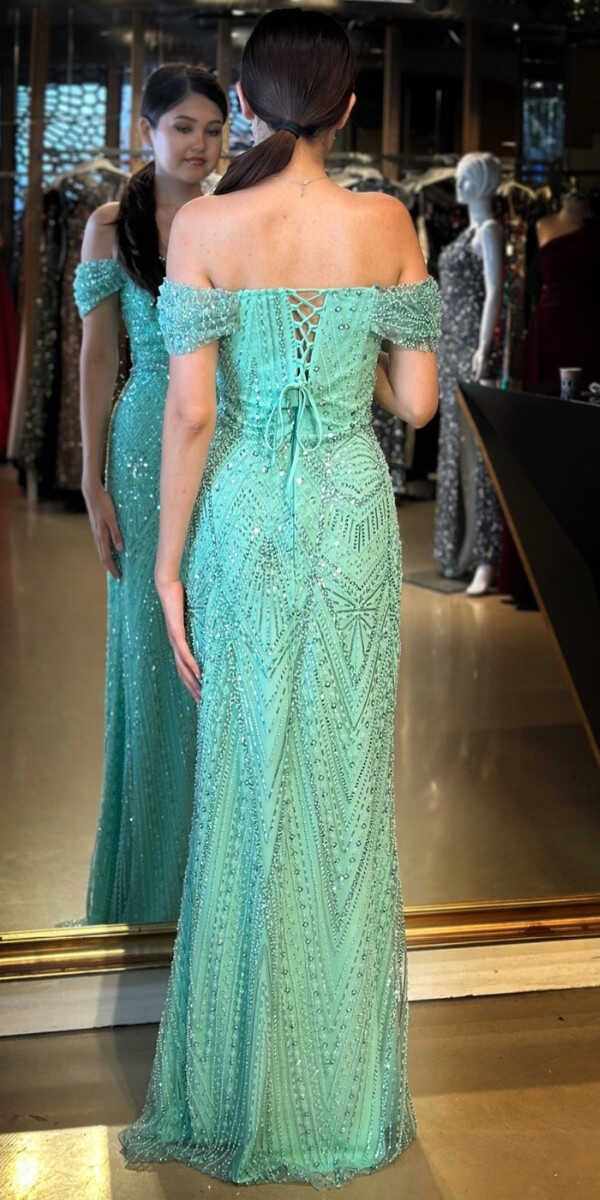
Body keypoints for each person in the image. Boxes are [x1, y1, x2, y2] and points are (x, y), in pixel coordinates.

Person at [120, 10, 439, 1187]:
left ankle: (239, 1079)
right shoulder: (388, 222)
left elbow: (193, 413)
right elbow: (416, 405)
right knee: (343, 791)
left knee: (246, 785)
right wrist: (364, 345)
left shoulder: (203, 224)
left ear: (247, 107)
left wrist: (166, 567)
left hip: (247, 514)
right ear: (348, 108)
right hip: (350, 514)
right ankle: (335, 1091)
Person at [74, 64, 227, 924]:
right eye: (183, 127)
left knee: (220, 646)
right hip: (140, 453)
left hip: (225, 445)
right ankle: (150, 892)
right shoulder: (108, 226)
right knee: (148, 655)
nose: (200, 144)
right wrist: (91, 478)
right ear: (147, 131)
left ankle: (216, 888)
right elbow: (98, 356)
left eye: (213, 128)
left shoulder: (231, 214)